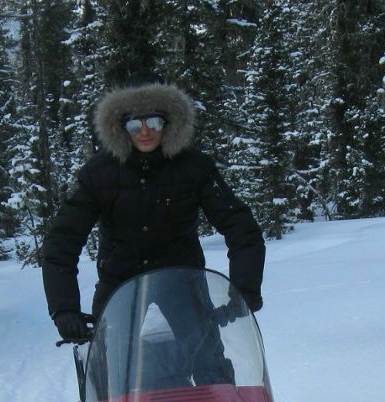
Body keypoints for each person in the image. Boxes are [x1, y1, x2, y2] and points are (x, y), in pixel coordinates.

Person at [41, 74, 265, 343]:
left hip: (182, 281)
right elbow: (62, 240)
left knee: (208, 360)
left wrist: (244, 288)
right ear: (121, 127)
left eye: (154, 121)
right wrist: (64, 308)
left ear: (169, 123)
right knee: (110, 362)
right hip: (119, 284)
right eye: (135, 123)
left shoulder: (194, 168)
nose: (145, 131)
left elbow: (240, 227)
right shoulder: (99, 174)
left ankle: (216, 385)